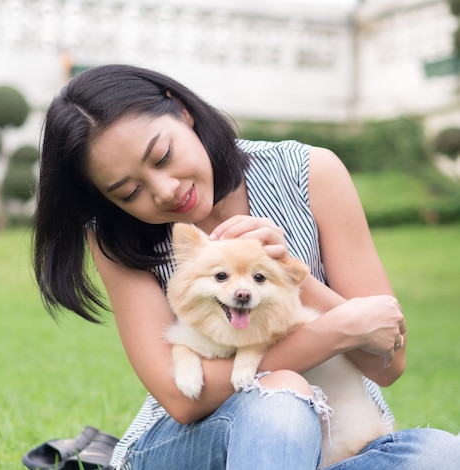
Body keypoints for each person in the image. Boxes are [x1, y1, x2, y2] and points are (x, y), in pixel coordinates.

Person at [32, 64, 460, 469]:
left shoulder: (309, 172)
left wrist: (291, 271)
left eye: (162, 156)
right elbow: (182, 400)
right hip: (197, 440)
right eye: (128, 192)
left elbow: (388, 362)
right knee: (282, 399)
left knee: (441, 454)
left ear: (182, 111)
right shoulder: (116, 237)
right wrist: (338, 330)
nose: (164, 191)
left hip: (345, 440)